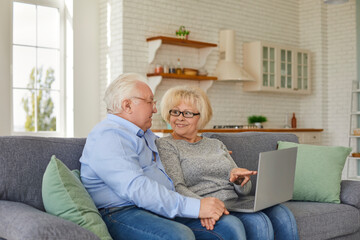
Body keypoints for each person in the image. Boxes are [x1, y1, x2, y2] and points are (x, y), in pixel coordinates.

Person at [79, 73, 248, 240]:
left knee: (228, 227)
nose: (154, 108)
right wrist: (197, 207)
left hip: (155, 207)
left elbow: (178, 149)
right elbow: (138, 189)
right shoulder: (110, 137)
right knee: (179, 235)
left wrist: (210, 156)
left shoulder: (143, 134)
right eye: (150, 101)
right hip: (121, 211)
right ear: (127, 105)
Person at [156, 85, 299, 240]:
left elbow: (244, 190)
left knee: (283, 214)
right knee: (259, 222)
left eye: (188, 113)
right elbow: (176, 187)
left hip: (235, 202)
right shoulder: (166, 145)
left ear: (201, 116)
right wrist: (202, 207)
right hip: (207, 205)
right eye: (175, 111)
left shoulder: (215, 144)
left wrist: (239, 180)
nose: (180, 118)